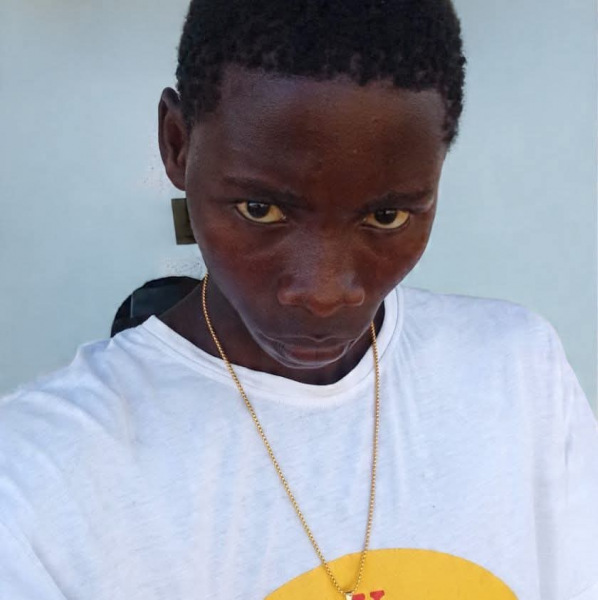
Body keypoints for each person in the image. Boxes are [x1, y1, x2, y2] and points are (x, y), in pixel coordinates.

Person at [1, 0, 597, 598]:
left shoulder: (519, 374)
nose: (322, 293)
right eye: (260, 209)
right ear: (177, 144)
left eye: (386, 217)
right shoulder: (35, 479)